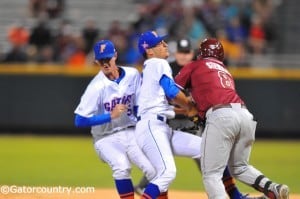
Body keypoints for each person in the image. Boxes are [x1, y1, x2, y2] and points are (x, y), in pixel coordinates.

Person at [134, 36, 265, 199]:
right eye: (160, 43)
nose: (165, 44)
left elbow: (158, 105)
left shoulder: (147, 70)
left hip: (158, 125)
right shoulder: (158, 63)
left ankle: (236, 196)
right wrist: (189, 106)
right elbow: (172, 92)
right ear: (149, 51)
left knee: (206, 148)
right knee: (167, 172)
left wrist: (188, 108)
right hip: (152, 126)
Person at [175, 38, 289, 199]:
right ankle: (272, 188)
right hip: (245, 115)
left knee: (211, 174)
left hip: (221, 115)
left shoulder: (195, 65)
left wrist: (187, 106)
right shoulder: (224, 70)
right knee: (240, 167)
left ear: (201, 53)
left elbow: (173, 90)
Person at [74, 39, 156, 199]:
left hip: (131, 132)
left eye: (108, 58)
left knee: (154, 169)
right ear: (96, 61)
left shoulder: (132, 74)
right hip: (105, 138)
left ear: (115, 56)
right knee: (121, 166)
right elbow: (79, 120)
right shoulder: (96, 87)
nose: (105, 63)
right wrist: (110, 116)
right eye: (101, 60)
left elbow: (139, 104)